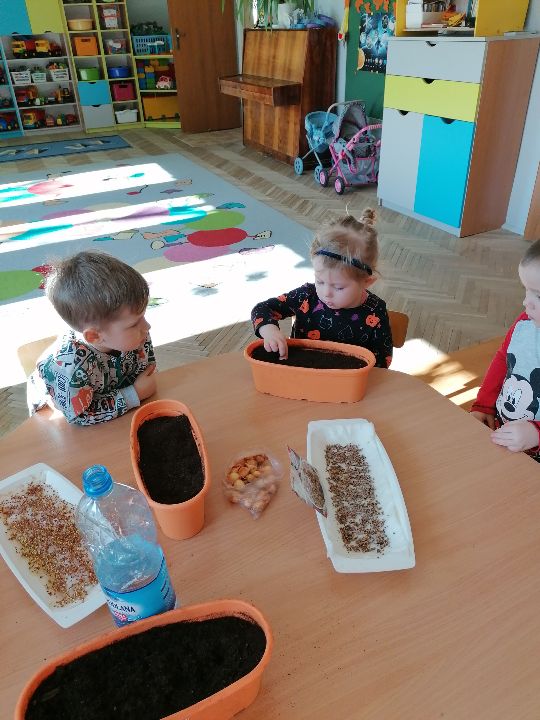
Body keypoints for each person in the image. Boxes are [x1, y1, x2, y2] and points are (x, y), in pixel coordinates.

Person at [251, 208, 393, 368]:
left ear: (367, 282)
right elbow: (262, 309)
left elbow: (382, 362)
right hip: (302, 373)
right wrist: (269, 331)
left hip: (346, 380)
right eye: (320, 281)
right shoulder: (306, 296)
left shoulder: (376, 311)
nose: (326, 294)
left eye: (338, 287)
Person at [28, 251, 156, 426]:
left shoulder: (135, 335)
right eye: (134, 324)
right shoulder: (69, 369)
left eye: (143, 316)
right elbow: (80, 416)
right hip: (55, 412)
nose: (147, 326)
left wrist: (138, 389)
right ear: (94, 336)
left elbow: (145, 374)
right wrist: (134, 394)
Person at [471, 239, 540, 461]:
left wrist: (537, 433)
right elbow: (503, 360)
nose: (526, 302)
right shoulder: (525, 323)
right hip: (503, 436)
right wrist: (484, 405)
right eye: (526, 290)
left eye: (538, 295)